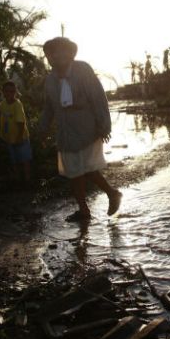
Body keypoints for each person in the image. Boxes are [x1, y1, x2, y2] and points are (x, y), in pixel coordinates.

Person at [38, 37, 122, 222]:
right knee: (73, 172)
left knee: (86, 169)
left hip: (87, 130)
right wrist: (41, 130)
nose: (53, 57)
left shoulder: (82, 70)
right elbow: (49, 108)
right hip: (65, 134)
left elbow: (98, 98)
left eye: (57, 52)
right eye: (49, 54)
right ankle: (85, 209)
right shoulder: (50, 80)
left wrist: (104, 125)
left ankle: (110, 194)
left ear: (70, 53)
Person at [0, 81, 32, 185]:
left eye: (12, 91)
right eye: (7, 91)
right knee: (14, 160)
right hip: (9, 139)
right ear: (3, 92)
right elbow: (0, 108)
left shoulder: (17, 105)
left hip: (21, 138)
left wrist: (19, 138)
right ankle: (18, 179)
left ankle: (27, 180)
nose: (9, 93)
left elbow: (21, 123)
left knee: (25, 160)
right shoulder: (5, 103)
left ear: (15, 92)